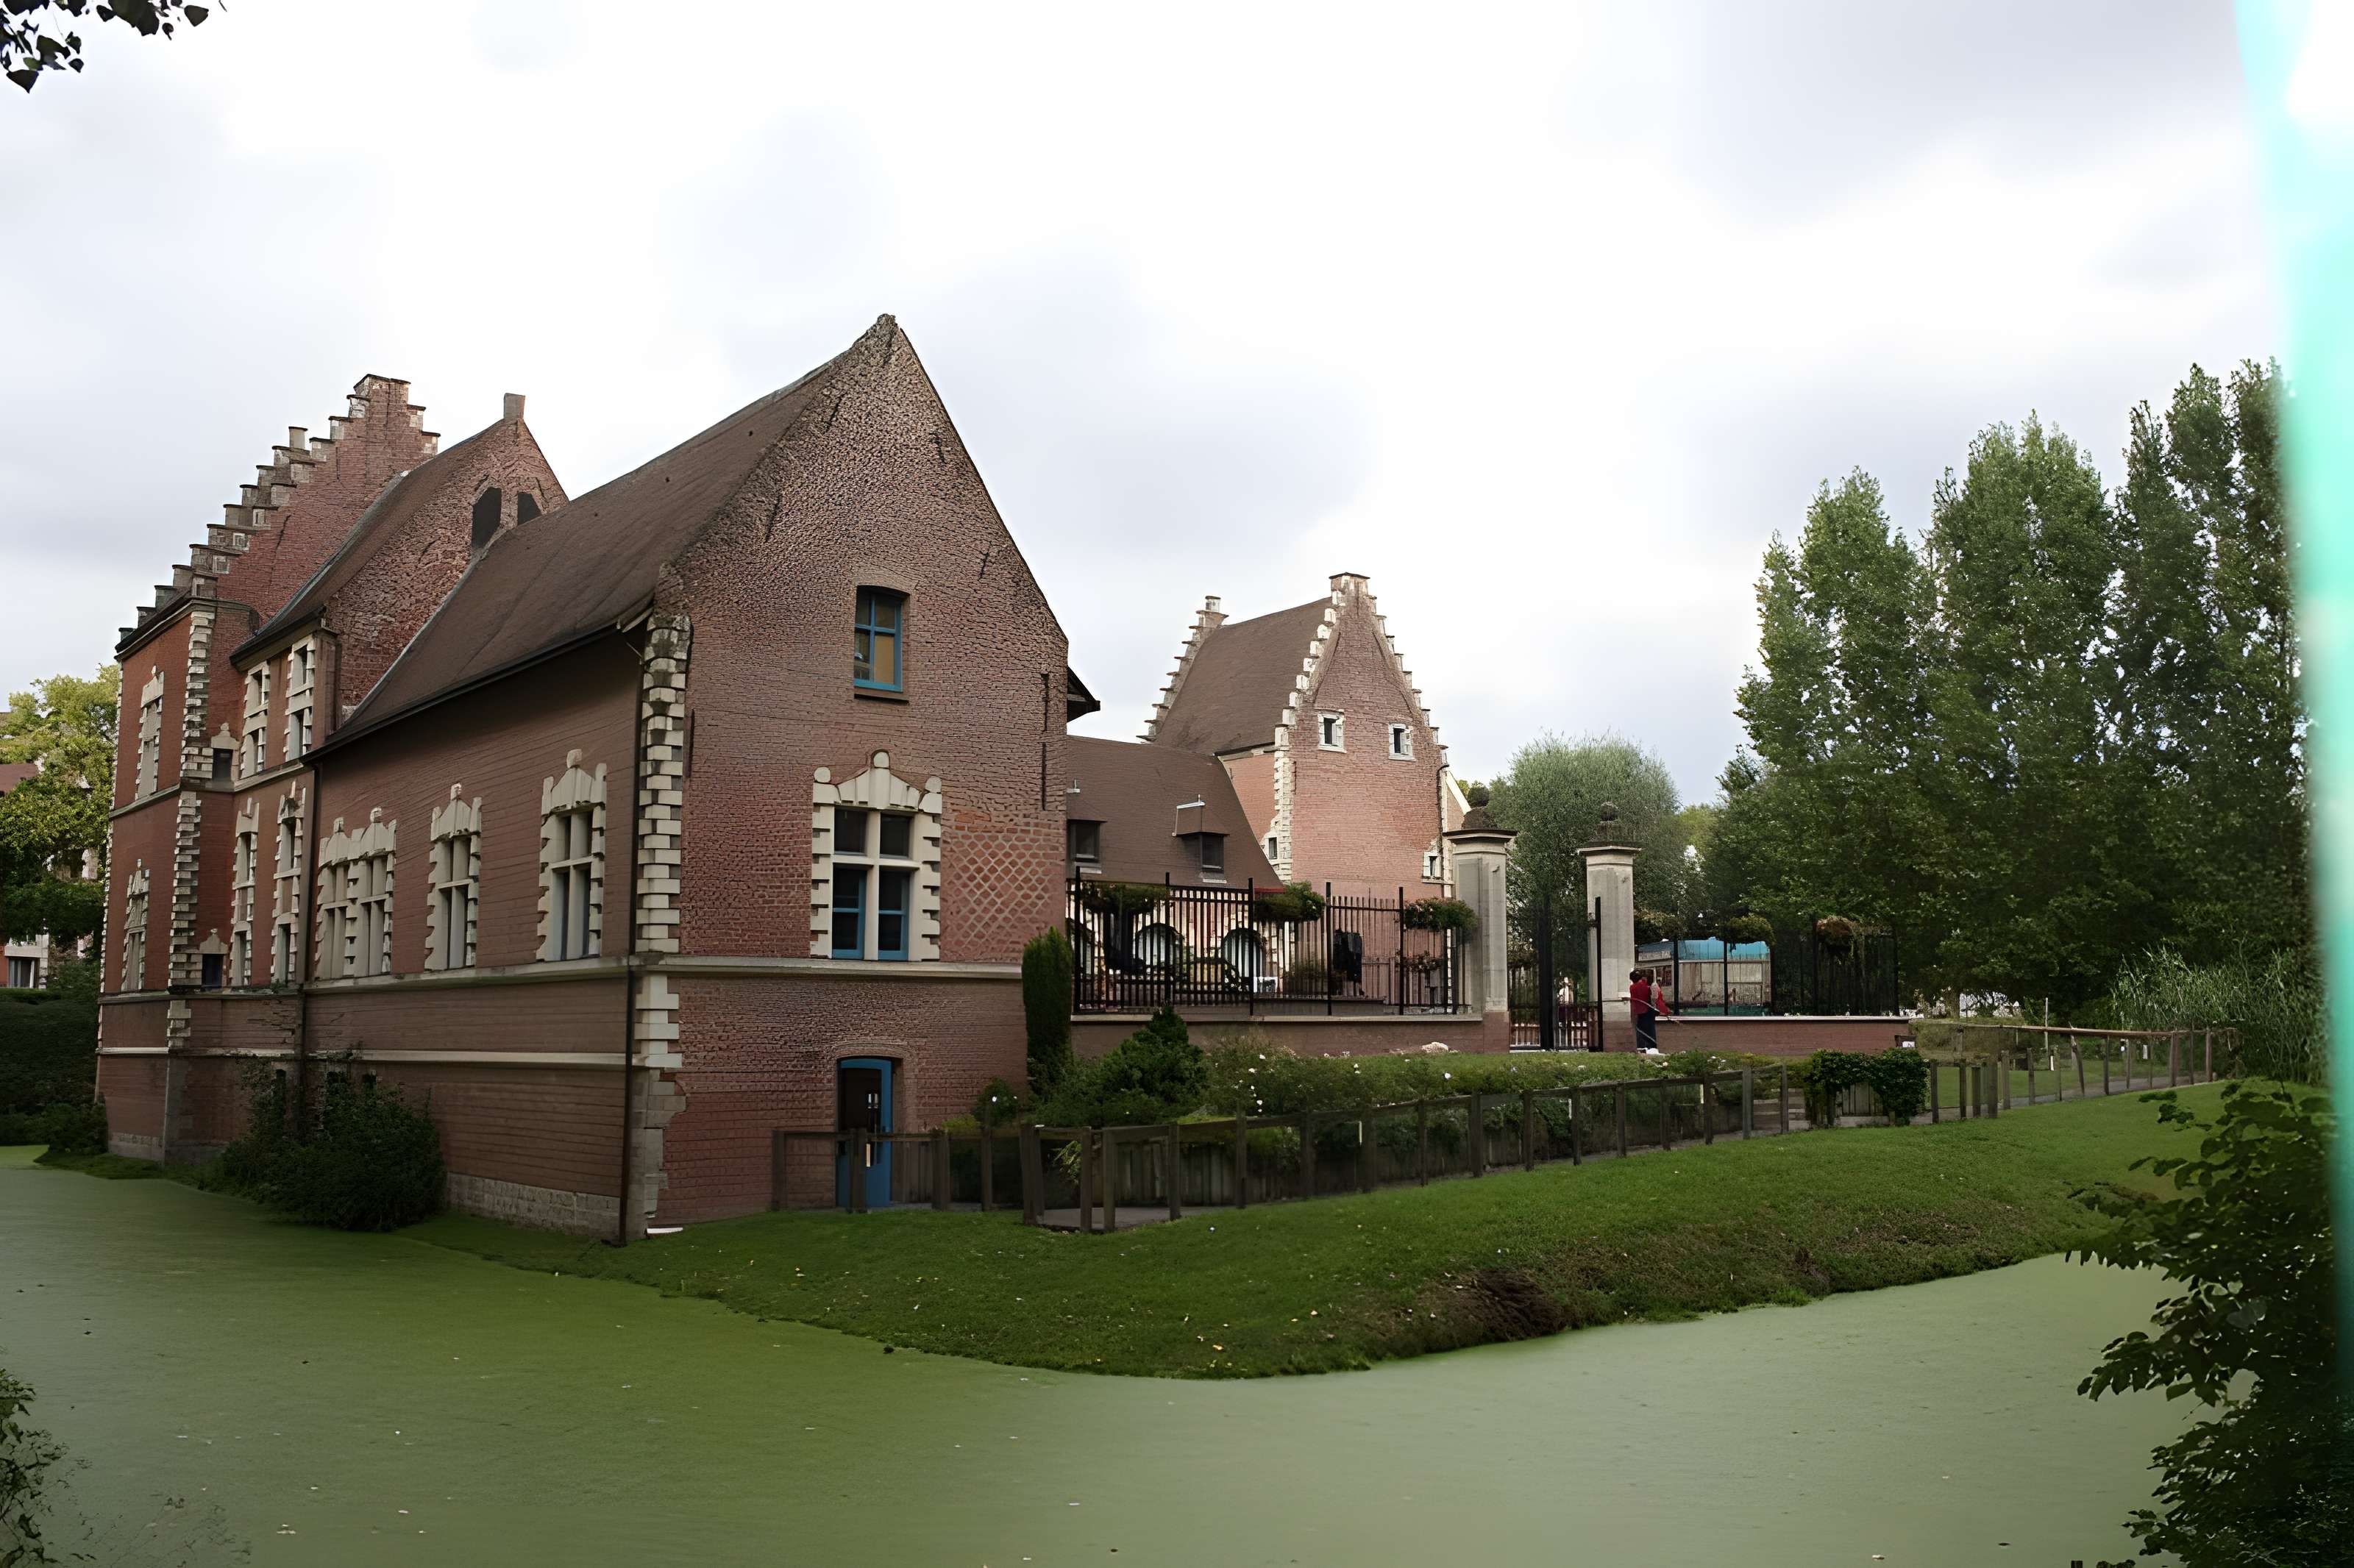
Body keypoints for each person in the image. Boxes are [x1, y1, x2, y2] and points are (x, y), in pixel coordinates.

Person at [1630, 967, 1667, 1052]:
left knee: (1640, 1031)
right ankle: (1652, 1049)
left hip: (1637, 1013)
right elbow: (1654, 998)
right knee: (1650, 1031)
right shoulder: (1647, 986)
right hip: (1648, 1010)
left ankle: (1641, 1048)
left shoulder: (1631, 988)